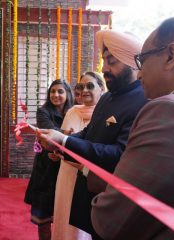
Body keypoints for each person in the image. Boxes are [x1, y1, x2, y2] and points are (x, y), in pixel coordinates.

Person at [91, 15, 174, 239]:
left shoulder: (171, 112)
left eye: (142, 60)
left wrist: (101, 190)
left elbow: (111, 221)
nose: (140, 72)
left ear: (171, 55)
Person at [36, 30, 148, 240]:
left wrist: (65, 141)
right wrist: (58, 142)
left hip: (114, 201)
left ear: (132, 63)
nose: (104, 68)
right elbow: (89, 133)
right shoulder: (106, 98)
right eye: (104, 61)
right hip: (89, 192)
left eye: (112, 62)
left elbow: (119, 153)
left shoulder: (143, 100)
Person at [52, 72, 106, 240]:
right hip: (67, 174)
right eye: (81, 87)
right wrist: (57, 151)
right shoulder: (72, 112)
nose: (85, 90)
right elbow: (64, 141)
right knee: (65, 215)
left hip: (88, 176)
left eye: (90, 86)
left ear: (102, 89)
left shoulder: (105, 115)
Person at [24, 79, 74, 240]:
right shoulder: (43, 111)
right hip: (45, 169)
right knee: (43, 218)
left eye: (60, 91)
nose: (56, 95)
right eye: (53, 91)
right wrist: (66, 132)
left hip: (67, 168)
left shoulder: (74, 112)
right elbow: (49, 132)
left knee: (66, 217)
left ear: (67, 94)